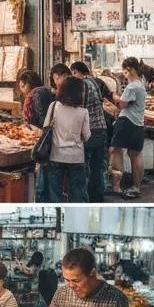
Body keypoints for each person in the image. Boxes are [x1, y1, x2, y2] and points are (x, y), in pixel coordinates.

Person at [42, 74, 91, 202]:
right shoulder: (83, 112)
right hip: (76, 157)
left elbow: (46, 127)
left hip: (56, 155)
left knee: (55, 194)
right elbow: (86, 136)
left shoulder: (53, 106)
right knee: (78, 193)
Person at [108, 57, 148, 198]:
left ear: (130, 70)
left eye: (125, 72)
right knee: (135, 154)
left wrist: (114, 96)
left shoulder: (132, 86)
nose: (124, 75)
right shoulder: (141, 84)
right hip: (138, 123)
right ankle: (136, 187)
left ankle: (116, 186)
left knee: (115, 150)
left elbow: (122, 105)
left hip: (126, 121)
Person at [70, 62, 109, 202]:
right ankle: (97, 196)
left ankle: (84, 198)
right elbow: (100, 101)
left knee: (83, 166)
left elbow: (81, 107)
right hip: (101, 128)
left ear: (77, 72)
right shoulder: (94, 82)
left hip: (90, 131)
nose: (73, 76)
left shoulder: (83, 85)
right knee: (97, 166)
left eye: (73, 73)